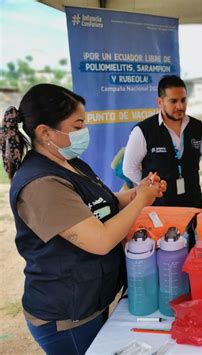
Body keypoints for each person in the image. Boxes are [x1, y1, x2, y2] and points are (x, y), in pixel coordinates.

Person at [0, 84, 167, 355]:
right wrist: (141, 201)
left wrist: (138, 191)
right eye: (77, 126)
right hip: (67, 316)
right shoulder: (41, 184)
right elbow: (99, 241)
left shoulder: (70, 162)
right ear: (45, 132)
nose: (84, 132)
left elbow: (103, 204)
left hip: (91, 300)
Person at [123, 75, 202, 208]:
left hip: (193, 203)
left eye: (183, 100)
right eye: (173, 101)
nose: (180, 106)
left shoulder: (196, 126)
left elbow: (197, 157)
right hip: (159, 206)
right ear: (160, 102)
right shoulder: (143, 130)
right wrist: (150, 187)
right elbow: (129, 169)